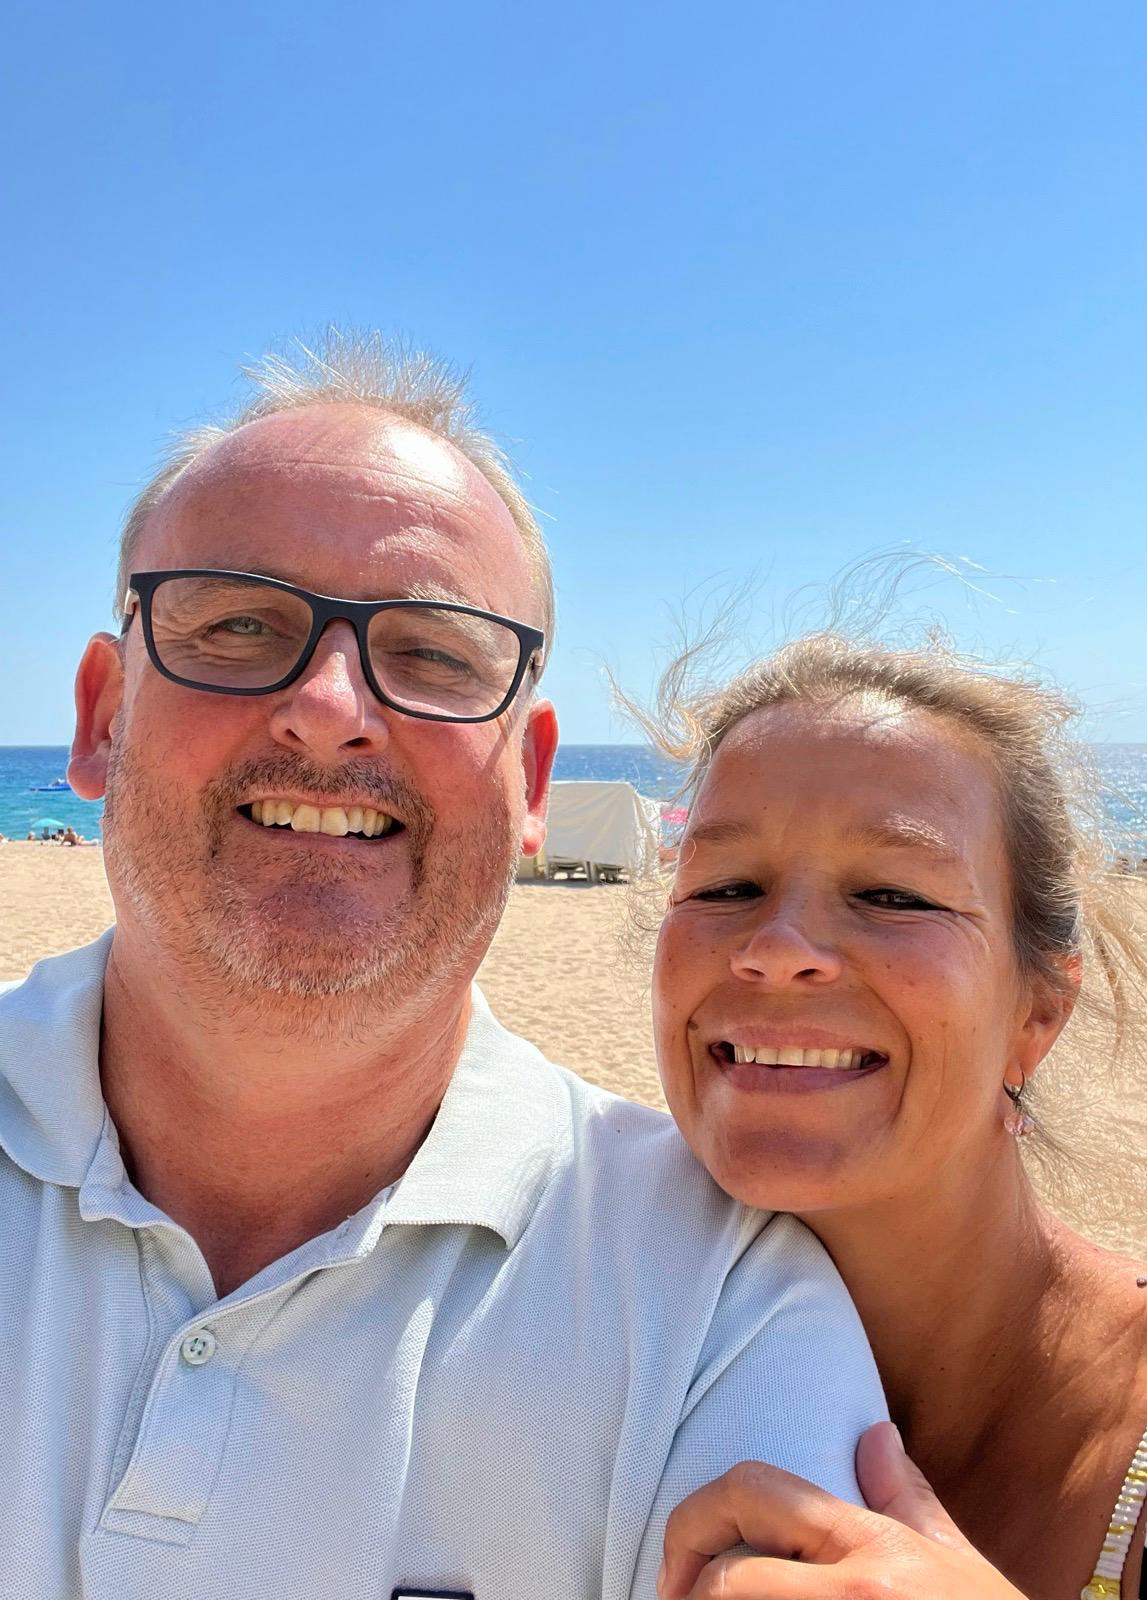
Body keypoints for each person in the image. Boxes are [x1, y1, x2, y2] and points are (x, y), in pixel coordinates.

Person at [0, 334, 885, 1600]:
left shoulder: (713, 1307)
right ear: (100, 717)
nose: (329, 702)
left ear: (529, 779)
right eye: (239, 623)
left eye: (433, 653)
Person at [641, 633, 1147, 1599]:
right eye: (727, 887)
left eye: (893, 894)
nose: (777, 950)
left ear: (1036, 1014)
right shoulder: (580, 1328)